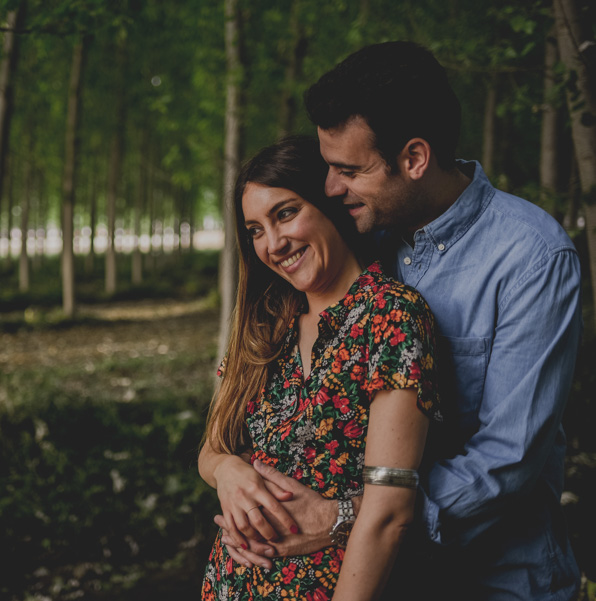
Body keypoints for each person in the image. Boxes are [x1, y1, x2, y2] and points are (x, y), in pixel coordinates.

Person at [210, 42, 583, 600]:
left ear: (413, 158)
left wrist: (345, 518)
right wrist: (235, 479)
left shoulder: (531, 256)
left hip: (496, 580)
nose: (331, 187)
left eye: (348, 170)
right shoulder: (362, 240)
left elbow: (508, 462)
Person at [199, 135, 440, 600]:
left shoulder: (390, 316)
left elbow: (390, 515)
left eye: (286, 213)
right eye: (254, 230)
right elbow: (211, 448)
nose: (273, 243)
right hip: (229, 586)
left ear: (329, 202)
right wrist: (228, 471)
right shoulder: (266, 326)